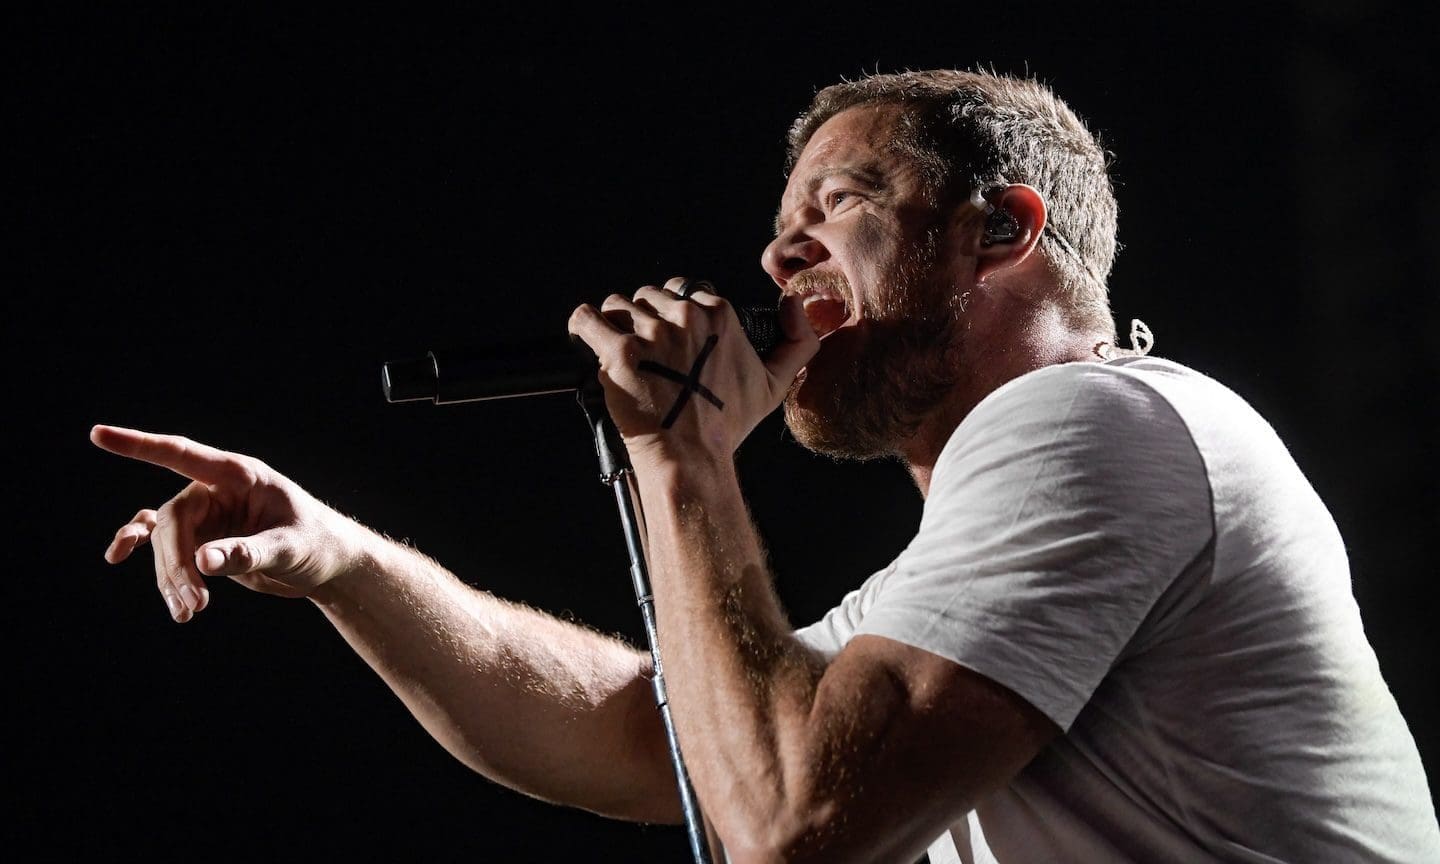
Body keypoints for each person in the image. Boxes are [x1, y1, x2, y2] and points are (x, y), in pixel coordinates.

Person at [92, 69, 1439, 862]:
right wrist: (343, 560)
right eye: (780, 224)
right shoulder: (997, 544)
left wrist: (680, 458)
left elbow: (793, 821)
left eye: (837, 205)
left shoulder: (1100, 420)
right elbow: (658, 739)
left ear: (1001, 230)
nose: (779, 255)